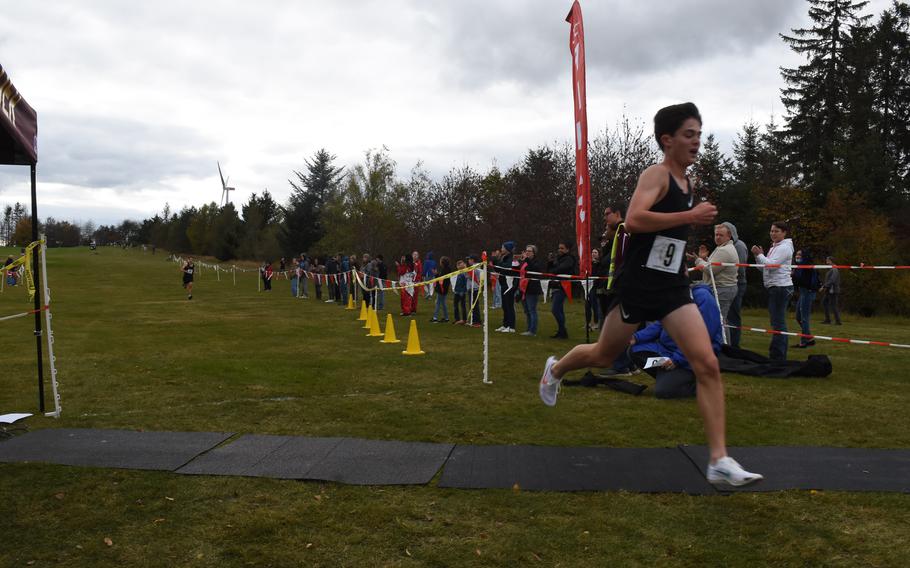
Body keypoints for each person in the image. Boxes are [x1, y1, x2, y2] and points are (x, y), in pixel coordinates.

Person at [538, 102, 762, 487]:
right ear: (667, 139)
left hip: (672, 287)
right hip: (639, 285)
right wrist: (690, 217)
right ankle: (555, 370)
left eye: (699, 134)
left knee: (707, 363)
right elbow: (636, 219)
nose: (696, 141)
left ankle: (719, 460)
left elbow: (668, 237)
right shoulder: (655, 175)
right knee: (604, 354)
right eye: (689, 134)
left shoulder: (690, 185)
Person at [751, 222, 794, 361]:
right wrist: (759, 256)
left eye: (776, 231)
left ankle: (778, 356)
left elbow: (771, 266)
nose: (773, 233)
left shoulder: (785, 248)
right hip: (775, 287)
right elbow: (763, 267)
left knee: (778, 323)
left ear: (784, 232)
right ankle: (776, 354)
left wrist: (760, 255)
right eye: (771, 231)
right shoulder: (775, 247)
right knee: (776, 322)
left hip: (780, 287)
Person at [694, 224, 739, 343]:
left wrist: (697, 260)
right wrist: (704, 259)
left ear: (729, 236)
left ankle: (725, 348)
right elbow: (712, 266)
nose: (717, 237)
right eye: (716, 234)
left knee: (719, 320)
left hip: (722, 289)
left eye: (721, 235)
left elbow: (710, 270)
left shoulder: (725, 250)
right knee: (721, 320)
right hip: (723, 288)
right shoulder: (723, 247)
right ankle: (724, 347)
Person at [722, 222, 749, 348]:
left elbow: (740, 268)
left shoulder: (739, 246)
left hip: (737, 283)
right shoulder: (725, 246)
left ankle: (734, 345)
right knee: (728, 316)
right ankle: (728, 343)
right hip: (730, 283)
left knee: (733, 316)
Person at [792, 250, 820, 348]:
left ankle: (804, 342)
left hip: (808, 292)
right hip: (803, 292)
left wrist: (793, 275)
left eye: (800, 255)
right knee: (798, 317)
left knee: (804, 318)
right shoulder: (798, 267)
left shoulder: (807, 267)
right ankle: (809, 338)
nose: (797, 256)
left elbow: (803, 281)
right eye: (797, 254)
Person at [549, 240, 576, 339]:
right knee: (559, 310)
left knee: (555, 309)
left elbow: (560, 269)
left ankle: (563, 330)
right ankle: (561, 332)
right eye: (559, 248)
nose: (559, 250)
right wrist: (550, 262)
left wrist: (554, 269)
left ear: (567, 249)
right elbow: (551, 270)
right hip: (556, 285)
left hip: (563, 286)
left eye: (562, 248)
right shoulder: (558, 258)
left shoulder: (569, 259)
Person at [519, 244, 543, 336]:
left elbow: (534, 269)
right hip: (524, 288)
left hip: (532, 289)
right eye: (526, 251)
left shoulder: (536, 261)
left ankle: (532, 331)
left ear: (534, 253)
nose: (527, 252)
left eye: (529, 251)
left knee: (532, 310)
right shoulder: (525, 261)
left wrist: (527, 259)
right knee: (527, 310)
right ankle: (529, 329)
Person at [496, 241, 518, 333]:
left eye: (503, 248)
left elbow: (508, 267)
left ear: (507, 249)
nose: (501, 249)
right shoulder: (503, 257)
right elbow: (498, 268)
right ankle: (505, 324)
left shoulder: (511, 258)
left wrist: (498, 263)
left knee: (509, 306)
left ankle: (511, 326)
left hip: (509, 285)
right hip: (503, 283)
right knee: (504, 306)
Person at [585, 248, 603, 332]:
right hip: (587, 286)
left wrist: (595, 264)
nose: (593, 254)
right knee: (587, 305)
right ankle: (588, 323)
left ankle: (596, 323)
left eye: (595, 252)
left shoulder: (600, 264)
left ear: (598, 254)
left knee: (594, 305)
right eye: (592, 252)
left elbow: (598, 274)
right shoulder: (589, 263)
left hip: (594, 287)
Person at [821, 256, 842, 325]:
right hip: (829, 289)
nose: (826, 261)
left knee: (833, 305)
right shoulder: (830, 269)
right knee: (824, 303)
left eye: (827, 260)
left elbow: (832, 280)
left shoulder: (834, 269)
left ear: (831, 261)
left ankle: (838, 321)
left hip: (833, 290)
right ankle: (828, 320)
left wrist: (824, 286)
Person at [432, 256, 452, 322]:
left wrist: (436, 274)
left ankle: (435, 318)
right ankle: (446, 318)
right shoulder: (448, 269)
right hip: (444, 289)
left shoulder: (444, 270)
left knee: (438, 303)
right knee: (443, 303)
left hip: (442, 289)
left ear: (442, 263)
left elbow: (441, 279)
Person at [452, 259, 468, 324]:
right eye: (458, 265)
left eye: (460, 264)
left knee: (463, 305)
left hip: (462, 292)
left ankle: (464, 319)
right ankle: (457, 319)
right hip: (457, 291)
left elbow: (465, 283)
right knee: (455, 305)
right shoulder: (458, 272)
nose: (458, 266)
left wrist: (463, 291)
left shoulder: (464, 273)